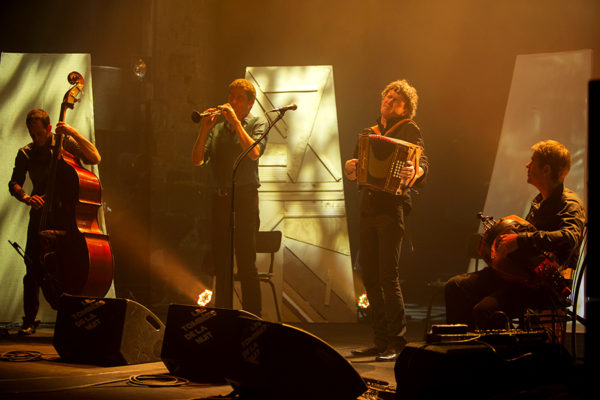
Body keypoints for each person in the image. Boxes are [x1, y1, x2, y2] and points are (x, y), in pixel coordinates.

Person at [445, 140, 586, 330]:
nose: (527, 165)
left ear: (546, 170)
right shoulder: (538, 201)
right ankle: (462, 345)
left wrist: (519, 240)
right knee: (456, 287)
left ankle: (501, 348)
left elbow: (569, 237)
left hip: (543, 286)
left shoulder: (570, 204)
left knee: (485, 310)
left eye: (533, 161)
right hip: (519, 276)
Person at [344, 79, 429, 361]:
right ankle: (380, 341)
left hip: (392, 209)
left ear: (406, 108)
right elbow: (356, 167)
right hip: (368, 208)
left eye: (396, 100)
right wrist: (350, 168)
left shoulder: (409, 129)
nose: (389, 101)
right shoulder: (369, 133)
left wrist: (415, 172)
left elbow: (422, 163)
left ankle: (397, 341)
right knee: (369, 275)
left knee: (387, 277)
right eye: (387, 97)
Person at [8, 108, 101, 335]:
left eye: (40, 134)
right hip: (40, 216)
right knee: (33, 266)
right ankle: (30, 319)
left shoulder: (65, 143)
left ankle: (77, 317)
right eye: (32, 135)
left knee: (71, 266)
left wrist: (72, 132)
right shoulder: (26, 153)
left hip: (67, 217)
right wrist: (27, 198)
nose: (36, 139)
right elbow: (14, 183)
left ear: (49, 128)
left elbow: (95, 158)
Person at [192, 78, 268, 317]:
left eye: (238, 98)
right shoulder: (218, 129)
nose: (233, 102)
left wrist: (236, 122)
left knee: (246, 263)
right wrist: (204, 129)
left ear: (250, 103)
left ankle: (253, 317)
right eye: (231, 97)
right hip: (220, 199)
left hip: (245, 199)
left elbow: (254, 153)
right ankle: (223, 317)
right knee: (221, 265)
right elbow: (197, 160)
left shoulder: (258, 123)